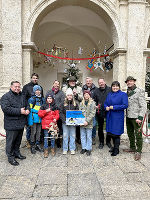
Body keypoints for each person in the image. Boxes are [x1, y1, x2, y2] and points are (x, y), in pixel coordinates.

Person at [1, 81, 29, 166]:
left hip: (20, 123)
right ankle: (10, 157)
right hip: (11, 124)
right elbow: (6, 109)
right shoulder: (6, 97)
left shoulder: (22, 95)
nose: (17, 88)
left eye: (18, 86)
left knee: (18, 141)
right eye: (15, 86)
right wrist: (20, 111)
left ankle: (17, 153)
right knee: (11, 142)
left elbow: (27, 104)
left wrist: (28, 109)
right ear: (11, 87)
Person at [124, 76, 147, 161]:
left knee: (138, 135)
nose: (129, 82)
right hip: (128, 116)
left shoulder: (139, 91)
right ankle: (132, 147)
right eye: (128, 81)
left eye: (131, 81)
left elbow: (143, 105)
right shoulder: (127, 91)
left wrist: (140, 117)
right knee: (130, 133)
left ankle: (138, 151)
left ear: (134, 82)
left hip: (136, 117)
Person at [104, 81, 128, 156]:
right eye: (113, 86)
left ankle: (116, 149)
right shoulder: (109, 94)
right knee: (111, 133)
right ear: (111, 87)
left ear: (119, 87)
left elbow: (125, 105)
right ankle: (114, 147)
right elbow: (105, 103)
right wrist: (106, 107)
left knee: (116, 134)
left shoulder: (123, 94)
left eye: (116, 86)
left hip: (117, 117)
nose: (115, 87)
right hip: (110, 116)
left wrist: (114, 107)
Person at [22, 73, 43, 148]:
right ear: (31, 78)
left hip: (38, 113)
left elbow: (42, 98)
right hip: (29, 110)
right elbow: (23, 98)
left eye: (36, 78)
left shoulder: (40, 87)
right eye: (34, 78)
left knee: (37, 130)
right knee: (29, 128)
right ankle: (29, 141)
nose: (35, 79)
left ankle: (36, 142)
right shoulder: (26, 87)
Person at [62, 76, 83, 144]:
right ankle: (67, 139)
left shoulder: (79, 88)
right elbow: (63, 97)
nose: (72, 82)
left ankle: (78, 138)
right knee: (67, 124)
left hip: (76, 108)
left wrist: (76, 94)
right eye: (71, 81)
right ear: (68, 82)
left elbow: (81, 98)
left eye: (74, 81)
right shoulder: (64, 88)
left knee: (76, 124)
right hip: (67, 108)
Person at [38, 93, 59, 158]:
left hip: (52, 125)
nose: (49, 100)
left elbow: (57, 114)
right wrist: (46, 111)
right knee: (46, 138)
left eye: (50, 98)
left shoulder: (55, 106)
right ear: (46, 99)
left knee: (52, 138)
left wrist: (55, 119)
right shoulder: (43, 106)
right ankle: (46, 150)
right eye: (48, 98)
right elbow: (40, 114)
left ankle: (52, 149)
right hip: (46, 125)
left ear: (52, 99)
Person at [46, 80, 65, 148]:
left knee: (58, 128)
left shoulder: (61, 93)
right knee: (50, 127)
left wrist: (56, 107)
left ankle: (58, 141)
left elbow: (63, 101)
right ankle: (50, 141)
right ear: (53, 84)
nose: (56, 85)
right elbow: (46, 100)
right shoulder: (49, 92)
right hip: (50, 113)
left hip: (58, 112)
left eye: (58, 84)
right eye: (55, 83)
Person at [93, 78, 111, 149]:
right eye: (99, 83)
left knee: (109, 127)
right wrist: (95, 106)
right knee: (100, 127)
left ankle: (108, 141)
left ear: (105, 82)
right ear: (98, 84)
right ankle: (101, 142)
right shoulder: (96, 91)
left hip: (109, 111)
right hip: (99, 112)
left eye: (102, 82)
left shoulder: (110, 89)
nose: (101, 83)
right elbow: (93, 100)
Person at [60, 88, 78, 155]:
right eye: (68, 95)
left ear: (72, 96)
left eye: (71, 95)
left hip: (73, 123)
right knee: (65, 135)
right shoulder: (63, 103)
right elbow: (61, 112)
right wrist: (64, 120)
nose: (69, 96)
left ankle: (72, 148)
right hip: (65, 123)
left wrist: (75, 120)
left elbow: (77, 113)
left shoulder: (75, 104)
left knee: (73, 135)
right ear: (66, 96)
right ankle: (65, 149)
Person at [28, 85, 45, 154]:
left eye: (39, 90)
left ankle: (37, 144)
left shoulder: (42, 99)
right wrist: (37, 112)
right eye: (36, 90)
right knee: (33, 132)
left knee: (39, 132)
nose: (38, 91)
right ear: (34, 91)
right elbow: (30, 109)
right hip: (34, 118)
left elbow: (43, 108)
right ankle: (32, 145)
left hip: (40, 119)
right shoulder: (31, 99)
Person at [79, 90, 96, 156]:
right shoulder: (81, 103)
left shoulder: (92, 103)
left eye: (87, 94)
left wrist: (87, 121)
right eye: (85, 94)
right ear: (83, 95)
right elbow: (80, 112)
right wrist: (81, 121)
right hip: (82, 123)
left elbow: (92, 113)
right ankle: (84, 148)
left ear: (89, 95)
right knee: (82, 136)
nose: (86, 96)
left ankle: (88, 148)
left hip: (89, 123)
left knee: (89, 136)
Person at [82, 77, 97, 145]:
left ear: (92, 81)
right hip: (84, 107)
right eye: (87, 81)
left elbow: (97, 97)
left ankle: (93, 137)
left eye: (89, 81)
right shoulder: (83, 88)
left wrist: (96, 105)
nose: (88, 82)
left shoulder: (95, 88)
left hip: (92, 107)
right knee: (85, 125)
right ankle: (84, 141)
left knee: (93, 124)